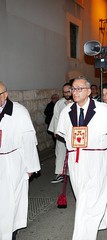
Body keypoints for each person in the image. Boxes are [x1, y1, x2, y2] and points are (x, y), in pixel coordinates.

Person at [56, 76, 107, 240]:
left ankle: (82, 235)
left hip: (97, 161)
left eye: (79, 88)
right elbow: (61, 134)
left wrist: (104, 156)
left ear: (88, 91)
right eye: (73, 89)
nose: (75, 92)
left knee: (90, 197)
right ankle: (99, 221)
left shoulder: (102, 110)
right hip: (77, 162)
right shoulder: (67, 112)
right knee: (83, 197)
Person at [0, 81, 40, 240]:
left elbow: (29, 140)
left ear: (5, 95)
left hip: (13, 163)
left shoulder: (19, 112)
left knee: (11, 201)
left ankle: (10, 234)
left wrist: (30, 167)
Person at [48, 82, 72, 183]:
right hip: (61, 133)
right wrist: (55, 130)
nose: (66, 94)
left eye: (68, 91)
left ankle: (72, 173)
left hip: (73, 134)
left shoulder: (77, 102)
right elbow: (56, 117)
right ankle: (60, 173)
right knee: (60, 153)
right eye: (64, 92)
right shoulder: (59, 103)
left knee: (72, 154)